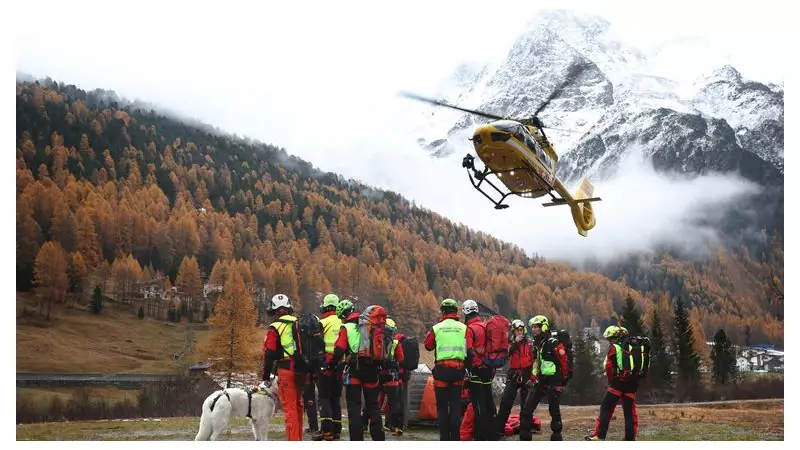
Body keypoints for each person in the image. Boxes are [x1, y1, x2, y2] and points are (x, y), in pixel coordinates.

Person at [329, 300, 385, 441]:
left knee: (354, 407)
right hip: (372, 369)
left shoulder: (346, 327)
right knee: (373, 405)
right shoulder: (370, 325)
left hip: (355, 371)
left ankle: (356, 440)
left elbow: (339, 349)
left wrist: (331, 364)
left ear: (343, 316)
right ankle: (379, 438)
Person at [260, 293, 305, 441]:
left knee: (290, 409)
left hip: (286, 371)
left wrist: (266, 376)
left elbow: (269, 354)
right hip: (302, 370)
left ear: (274, 310)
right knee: (299, 406)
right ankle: (298, 439)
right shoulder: (299, 322)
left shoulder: (275, 327)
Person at [518, 315, 568, 441]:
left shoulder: (554, 343)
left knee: (554, 411)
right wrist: (533, 378)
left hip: (553, 381)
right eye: (532, 327)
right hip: (540, 381)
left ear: (543, 327)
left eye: (536, 327)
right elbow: (536, 362)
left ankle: (556, 438)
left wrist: (562, 379)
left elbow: (563, 361)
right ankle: (524, 437)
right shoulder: (537, 344)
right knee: (527, 409)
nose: (533, 330)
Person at [586, 326, 640, 441]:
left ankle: (600, 435)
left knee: (606, 408)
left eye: (611, 339)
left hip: (617, 383)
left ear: (616, 337)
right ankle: (630, 438)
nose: (609, 341)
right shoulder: (635, 347)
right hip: (632, 384)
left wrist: (611, 381)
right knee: (629, 412)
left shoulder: (615, 347)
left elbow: (609, 366)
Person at [424, 298, 468, 441]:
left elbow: (428, 346)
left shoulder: (437, 328)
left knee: (442, 407)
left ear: (442, 311)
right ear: (456, 311)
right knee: (455, 405)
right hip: (458, 370)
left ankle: (444, 439)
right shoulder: (464, 328)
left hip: (442, 371)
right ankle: (455, 439)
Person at [462, 299, 497, 441]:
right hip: (488, 370)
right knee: (489, 403)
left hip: (476, 371)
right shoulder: (485, 326)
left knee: (479, 406)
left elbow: (468, 351)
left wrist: (468, 368)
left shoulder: (469, 329)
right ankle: (493, 434)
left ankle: (480, 437)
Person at [494, 319, 533, 437]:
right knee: (506, 402)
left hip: (526, 373)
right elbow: (506, 354)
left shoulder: (529, 343)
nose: (519, 332)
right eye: (517, 331)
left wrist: (532, 376)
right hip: (513, 373)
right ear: (513, 332)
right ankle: (499, 428)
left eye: (521, 330)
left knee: (526, 404)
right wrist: (515, 343)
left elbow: (533, 359)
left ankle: (525, 428)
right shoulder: (510, 344)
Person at [313, 293, 343, 441]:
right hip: (339, 364)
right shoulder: (342, 322)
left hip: (325, 363)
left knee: (324, 397)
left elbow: (316, 344)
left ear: (324, 306)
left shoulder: (322, 323)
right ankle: (337, 431)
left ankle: (326, 431)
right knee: (336, 397)